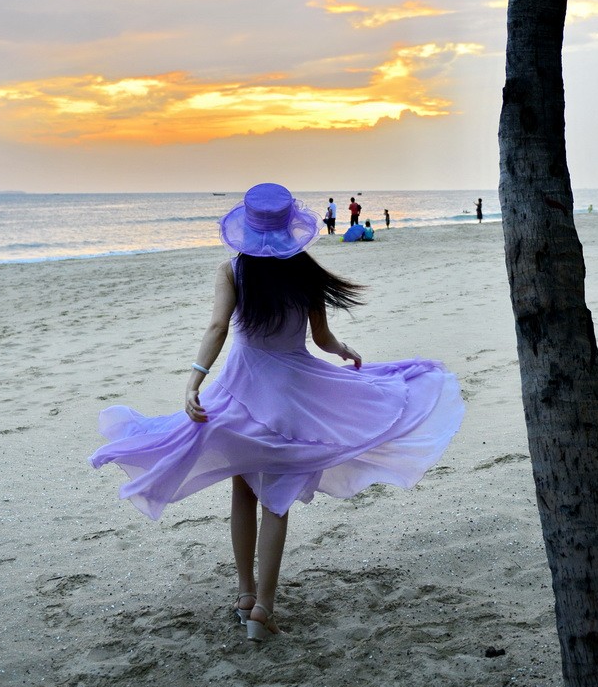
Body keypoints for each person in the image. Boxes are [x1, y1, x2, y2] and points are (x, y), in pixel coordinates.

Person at [88, 183, 463, 641]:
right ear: (290, 228)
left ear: (245, 229)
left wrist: (194, 381)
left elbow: (217, 328)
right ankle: (261, 609)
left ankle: (247, 594)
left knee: (242, 491)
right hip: (293, 398)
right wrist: (345, 351)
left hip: (241, 394)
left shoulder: (233, 271)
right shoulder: (305, 273)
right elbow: (321, 340)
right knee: (276, 502)